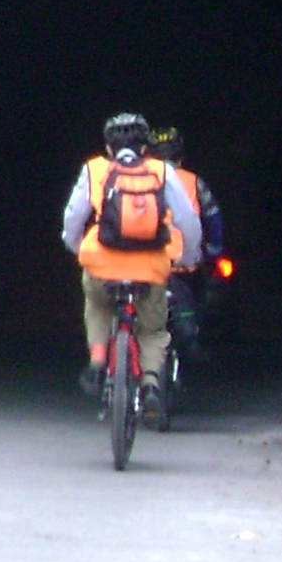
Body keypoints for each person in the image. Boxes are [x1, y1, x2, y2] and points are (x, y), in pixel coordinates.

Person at [60, 112, 200, 421]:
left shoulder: (95, 169)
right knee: (152, 328)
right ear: (145, 148)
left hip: (102, 264)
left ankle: (98, 364)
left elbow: (72, 218)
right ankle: (150, 383)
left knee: (97, 305)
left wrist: (75, 248)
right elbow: (188, 221)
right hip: (151, 269)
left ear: (109, 148)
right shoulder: (161, 172)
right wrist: (189, 257)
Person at [149, 125, 225, 355]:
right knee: (198, 289)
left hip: (144, 263)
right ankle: (192, 339)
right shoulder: (194, 182)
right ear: (180, 157)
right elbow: (213, 217)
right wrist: (214, 248)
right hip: (182, 265)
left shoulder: (136, 180)